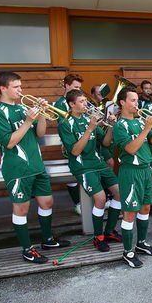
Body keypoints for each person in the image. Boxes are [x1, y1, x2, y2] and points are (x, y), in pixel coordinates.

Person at [0, 72, 70, 263]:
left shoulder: (21, 107)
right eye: (16, 87)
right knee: (22, 208)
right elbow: (9, 142)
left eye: (20, 86)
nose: (20, 90)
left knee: (47, 202)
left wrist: (41, 114)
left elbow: (40, 133)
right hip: (17, 167)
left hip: (36, 164)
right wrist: (27, 121)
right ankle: (27, 249)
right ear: (3, 88)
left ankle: (47, 240)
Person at [58, 90, 122, 252]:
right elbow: (75, 151)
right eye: (81, 101)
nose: (85, 104)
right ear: (72, 104)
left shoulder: (88, 118)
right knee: (100, 199)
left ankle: (109, 231)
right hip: (82, 166)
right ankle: (98, 237)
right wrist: (89, 129)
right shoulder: (65, 123)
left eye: (85, 101)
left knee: (119, 193)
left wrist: (111, 127)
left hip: (98, 162)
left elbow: (105, 143)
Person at [113, 86, 152, 268]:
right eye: (133, 100)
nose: (137, 104)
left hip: (145, 170)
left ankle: (141, 243)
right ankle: (127, 252)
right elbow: (131, 149)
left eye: (137, 100)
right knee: (129, 212)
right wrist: (147, 128)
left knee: (145, 208)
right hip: (131, 172)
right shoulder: (119, 125)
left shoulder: (140, 121)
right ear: (122, 102)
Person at [54, 74, 84, 215]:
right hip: (70, 141)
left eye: (79, 87)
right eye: (75, 87)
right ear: (66, 85)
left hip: (84, 139)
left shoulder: (80, 99)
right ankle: (78, 203)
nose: (78, 90)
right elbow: (64, 124)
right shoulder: (60, 103)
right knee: (72, 174)